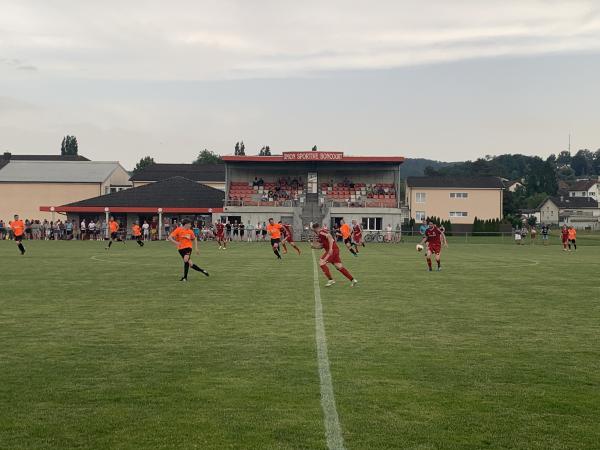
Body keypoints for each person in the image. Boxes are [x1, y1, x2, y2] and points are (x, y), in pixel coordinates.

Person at [311, 223, 358, 287]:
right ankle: (353, 280)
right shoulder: (320, 234)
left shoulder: (321, 232)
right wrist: (315, 247)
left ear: (315, 228)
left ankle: (331, 280)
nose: (313, 231)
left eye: (313, 230)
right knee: (339, 267)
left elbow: (329, 237)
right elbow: (322, 246)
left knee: (321, 262)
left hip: (332, 250)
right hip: (334, 250)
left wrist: (330, 249)